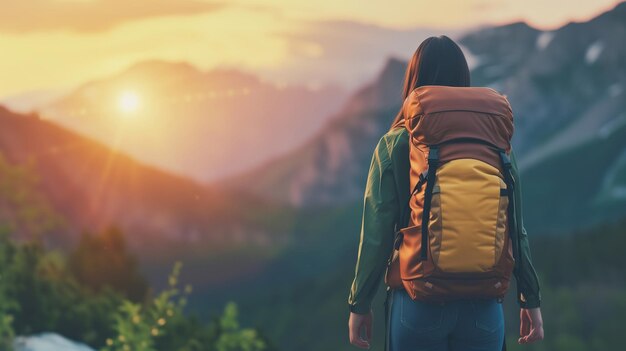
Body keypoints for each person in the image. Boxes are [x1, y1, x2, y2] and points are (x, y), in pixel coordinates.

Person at [347, 35, 544, 351]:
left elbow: (376, 234)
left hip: (416, 303)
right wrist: (529, 299)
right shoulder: (496, 147)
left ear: (414, 80)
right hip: (484, 307)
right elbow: (515, 228)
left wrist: (359, 303)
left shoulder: (396, 142)